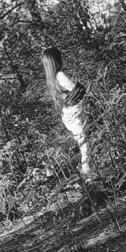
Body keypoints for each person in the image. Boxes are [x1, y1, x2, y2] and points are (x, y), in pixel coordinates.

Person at [41, 46, 91, 180]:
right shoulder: (60, 75)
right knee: (85, 144)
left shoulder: (51, 79)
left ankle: (87, 172)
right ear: (56, 60)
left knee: (83, 142)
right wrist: (86, 91)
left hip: (67, 114)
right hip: (75, 113)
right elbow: (76, 90)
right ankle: (88, 174)